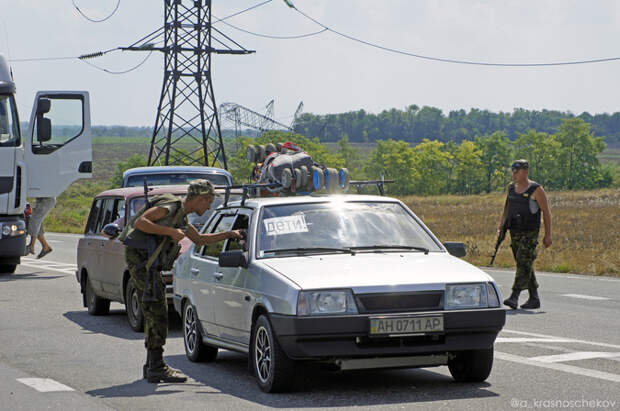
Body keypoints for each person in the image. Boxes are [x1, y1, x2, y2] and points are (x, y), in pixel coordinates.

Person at [124, 179, 242, 383]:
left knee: (155, 312)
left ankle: (151, 365)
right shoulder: (172, 207)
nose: (208, 207)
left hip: (148, 266)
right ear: (200, 198)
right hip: (143, 265)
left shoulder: (181, 218)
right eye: (208, 202)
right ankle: (156, 367)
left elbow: (200, 240)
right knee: (157, 313)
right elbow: (141, 222)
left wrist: (230, 234)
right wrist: (170, 232)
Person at [498, 160, 552, 310]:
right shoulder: (511, 188)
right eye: (513, 171)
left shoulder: (536, 189)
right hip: (514, 231)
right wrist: (501, 225)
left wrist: (548, 235)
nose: (514, 174)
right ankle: (534, 298)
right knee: (524, 263)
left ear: (525, 171)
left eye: (517, 171)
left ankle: (514, 296)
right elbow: (507, 209)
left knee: (523, 260)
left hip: (530, 233)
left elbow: (546, 213)